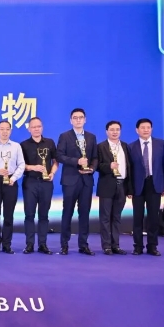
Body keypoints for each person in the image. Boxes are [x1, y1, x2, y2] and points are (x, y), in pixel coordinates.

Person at [56, 108, 98, 256]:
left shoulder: (91, 137)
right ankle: (64, 245)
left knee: (84, 213)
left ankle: (84, 245)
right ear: (71, 120)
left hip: (86, 180)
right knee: (67, 212)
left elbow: (95, 157)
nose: (78, 120)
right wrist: (76, 161)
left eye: (81, 117)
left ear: (85, 120)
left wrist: (91, 168)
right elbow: (59, 156)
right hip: (70, 180)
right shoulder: (65, 136)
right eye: (75, 117)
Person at [128, 118, 164, 256]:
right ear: (137, 130)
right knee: (137, 217)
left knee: (153, 217)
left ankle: (152, 246)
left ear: (151, 129)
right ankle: (138, 246)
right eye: (143, 127)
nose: (146, 130)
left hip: (155, 184)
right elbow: (129, 170)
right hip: (138, 186)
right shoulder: (131, 147)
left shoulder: (161, 144)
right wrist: (129, 189)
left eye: (148, 127)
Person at [20, 117, 59, 255]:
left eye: (39, 126)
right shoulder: (23, 145)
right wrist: (33, 167)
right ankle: (29, 244)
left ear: (42, 127)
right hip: (30, 182)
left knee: (44, 214)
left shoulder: (50, 143)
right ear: (29, 129)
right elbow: (20, 165)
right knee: (29, 214)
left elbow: (55, 161)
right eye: (33, 127)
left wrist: (52, 173)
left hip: (46, 183)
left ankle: (43, 244)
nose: (36, 129)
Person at [0, 120, 25, 254]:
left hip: (11, 182)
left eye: (7, 129)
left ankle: (7, 244)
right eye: (2, 129)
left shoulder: (16, 146)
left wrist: (13, 178)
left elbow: (21, 165)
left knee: (9, 215)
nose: (4, 132)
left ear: (11, 131)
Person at [97, 120, 133, 255]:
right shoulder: (100, 147)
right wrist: (109, 166)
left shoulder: (125, 146)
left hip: (122, 185)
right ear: (107, 131)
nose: (115, 132)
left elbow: (129, 168)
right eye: (112, 129)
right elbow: (97, 166)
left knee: (117, 217)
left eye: (117, 129)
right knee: (105, 217)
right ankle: (106, 246)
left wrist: (129, 189)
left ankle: (115, 245)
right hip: (107, 185)